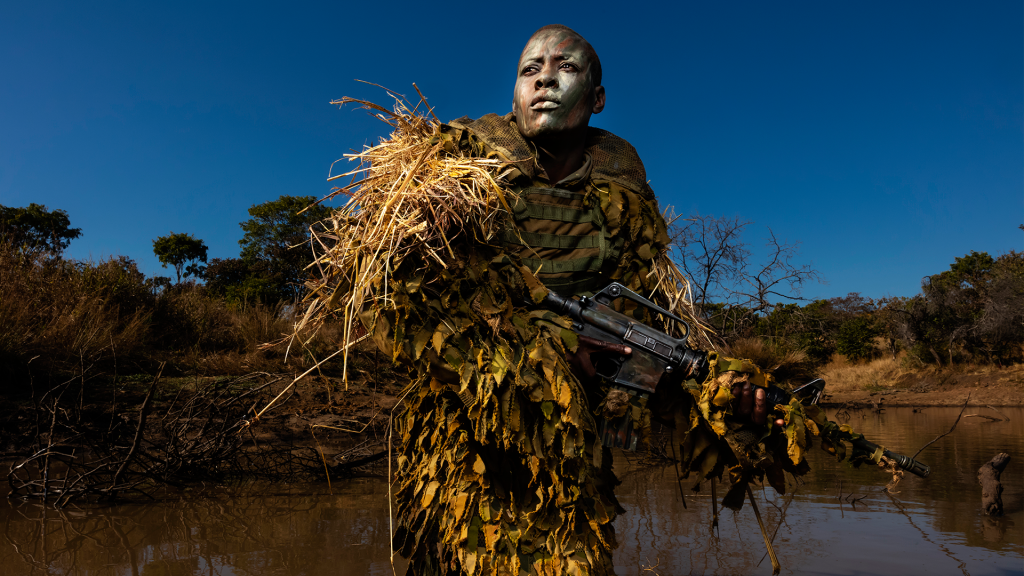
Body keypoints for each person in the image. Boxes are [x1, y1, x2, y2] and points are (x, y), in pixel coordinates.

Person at [372, 24, 774, 576]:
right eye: (529, 69)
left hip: (575, 457)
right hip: (467, 448)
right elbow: (403, 309)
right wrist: (549, 351)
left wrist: (722, 400)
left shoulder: (623, 191)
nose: (545, 81)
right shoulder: (458, 169)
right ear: (512, 93)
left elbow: (643, 334)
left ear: (597, 98)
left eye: (566, 68)